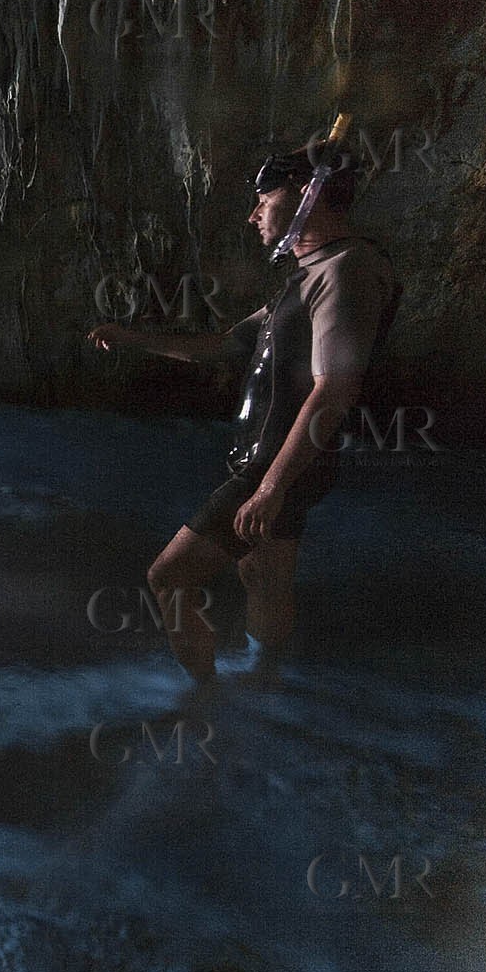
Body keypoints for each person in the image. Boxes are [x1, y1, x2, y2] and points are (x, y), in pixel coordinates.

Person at [86, 142, 401, 685]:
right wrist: (134, 339)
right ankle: (265, 678)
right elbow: (226, 345)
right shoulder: (308, 275)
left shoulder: (346, 271)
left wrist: (270, 487)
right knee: (262, 572)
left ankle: (206, 698)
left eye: (263, 199)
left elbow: (334, 391)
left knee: (169, 576)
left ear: (307, 194)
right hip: (276, 460)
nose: (254, 214)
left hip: (280, 463)